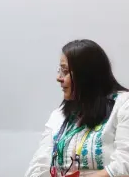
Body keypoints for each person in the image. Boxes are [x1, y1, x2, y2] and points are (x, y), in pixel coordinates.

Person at [24, 39, 129, 177]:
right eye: (60, 70)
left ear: (86, 75)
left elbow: (124, 164)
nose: (59, 78)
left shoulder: (123, 104)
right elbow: (39, 166)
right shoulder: (59, 115)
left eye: (65, 71)